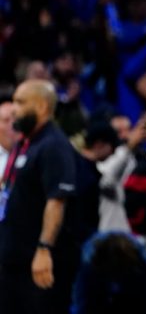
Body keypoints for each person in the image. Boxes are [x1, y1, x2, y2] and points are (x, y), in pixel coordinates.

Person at [0, 79, 79, 314]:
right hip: (14, 262)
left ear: (42, 107)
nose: (14, 108)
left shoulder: (53, 145)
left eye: (21, 102)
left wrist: (44, 249)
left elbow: (57, 200)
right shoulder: (26, 142)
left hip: (37, 264)